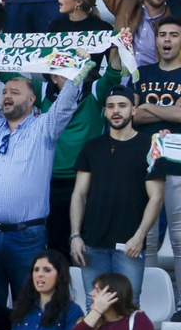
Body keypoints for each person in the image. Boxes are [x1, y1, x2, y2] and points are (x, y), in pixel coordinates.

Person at [0, 70, 80, 303]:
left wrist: (75, 70)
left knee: (28, 307)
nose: (7, 96)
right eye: (4, 92)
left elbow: (65, 103)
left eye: (15, 92)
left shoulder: (44, 127)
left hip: (26, 237)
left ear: (31, 100)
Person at [68, 85, 164, 303]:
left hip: (129, 244)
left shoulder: (150, 147)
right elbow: (79, 195)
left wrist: (140, 236)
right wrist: (75, 235)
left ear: (134, 110)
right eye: (110, 106)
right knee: (94, 305)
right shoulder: (92, 146)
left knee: (128, 306)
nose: (116, 111)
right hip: (92, 243)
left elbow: (157, 197)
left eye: (122, 105)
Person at [130, 18, 181, 288]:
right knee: (146, 238)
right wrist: (169, 112)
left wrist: (149, 108)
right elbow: (132, 116)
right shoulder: (142, 73)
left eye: (174, 35)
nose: (167, 40)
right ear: (156, 40)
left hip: (178, 164)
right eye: (162, 35)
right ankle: (146, 301)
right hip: (145, 165)